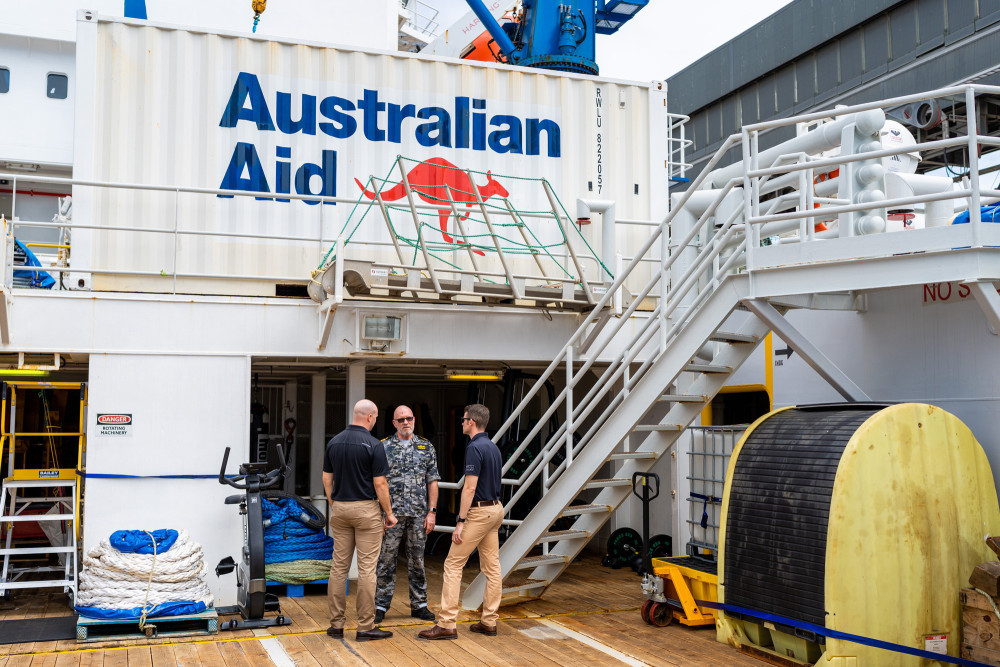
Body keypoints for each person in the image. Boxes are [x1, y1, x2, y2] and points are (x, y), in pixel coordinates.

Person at [418, 403, 503, 640]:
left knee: (453, 564)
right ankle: (489, 621)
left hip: (478, 513)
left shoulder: (474, 447)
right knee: (492, 568)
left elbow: (470, 488)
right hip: (496, 509)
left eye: (464, 420)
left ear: (472, 422)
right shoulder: (493, 447)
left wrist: (461, 521)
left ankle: (446, 623)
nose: (462, 423)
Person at [323, 399, 398, 642]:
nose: (375, 422)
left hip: (341, 509)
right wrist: (389, 513)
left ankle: (336, 625)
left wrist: (334, 504)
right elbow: (380, 483)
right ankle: (365, 626)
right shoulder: (374, 444)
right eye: (375, 418)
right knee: (367, 570)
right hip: (366, 510)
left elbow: (326, 479)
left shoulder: (334, 442)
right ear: (370, 417)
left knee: (338, 568)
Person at [374, 405, 441, 624]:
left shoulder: (426, 447)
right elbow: (376, 481)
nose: (405, 422)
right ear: (394, 423)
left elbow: (432, 481)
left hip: (418, 515)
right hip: (391, 515)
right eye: (401, 419)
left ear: (414, 420)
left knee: (417, 561)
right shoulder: (382, 447)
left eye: (409, 418)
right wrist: (382, 512)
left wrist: (431, 512)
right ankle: (380, 605)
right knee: (385, 560)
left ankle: (419, 605)